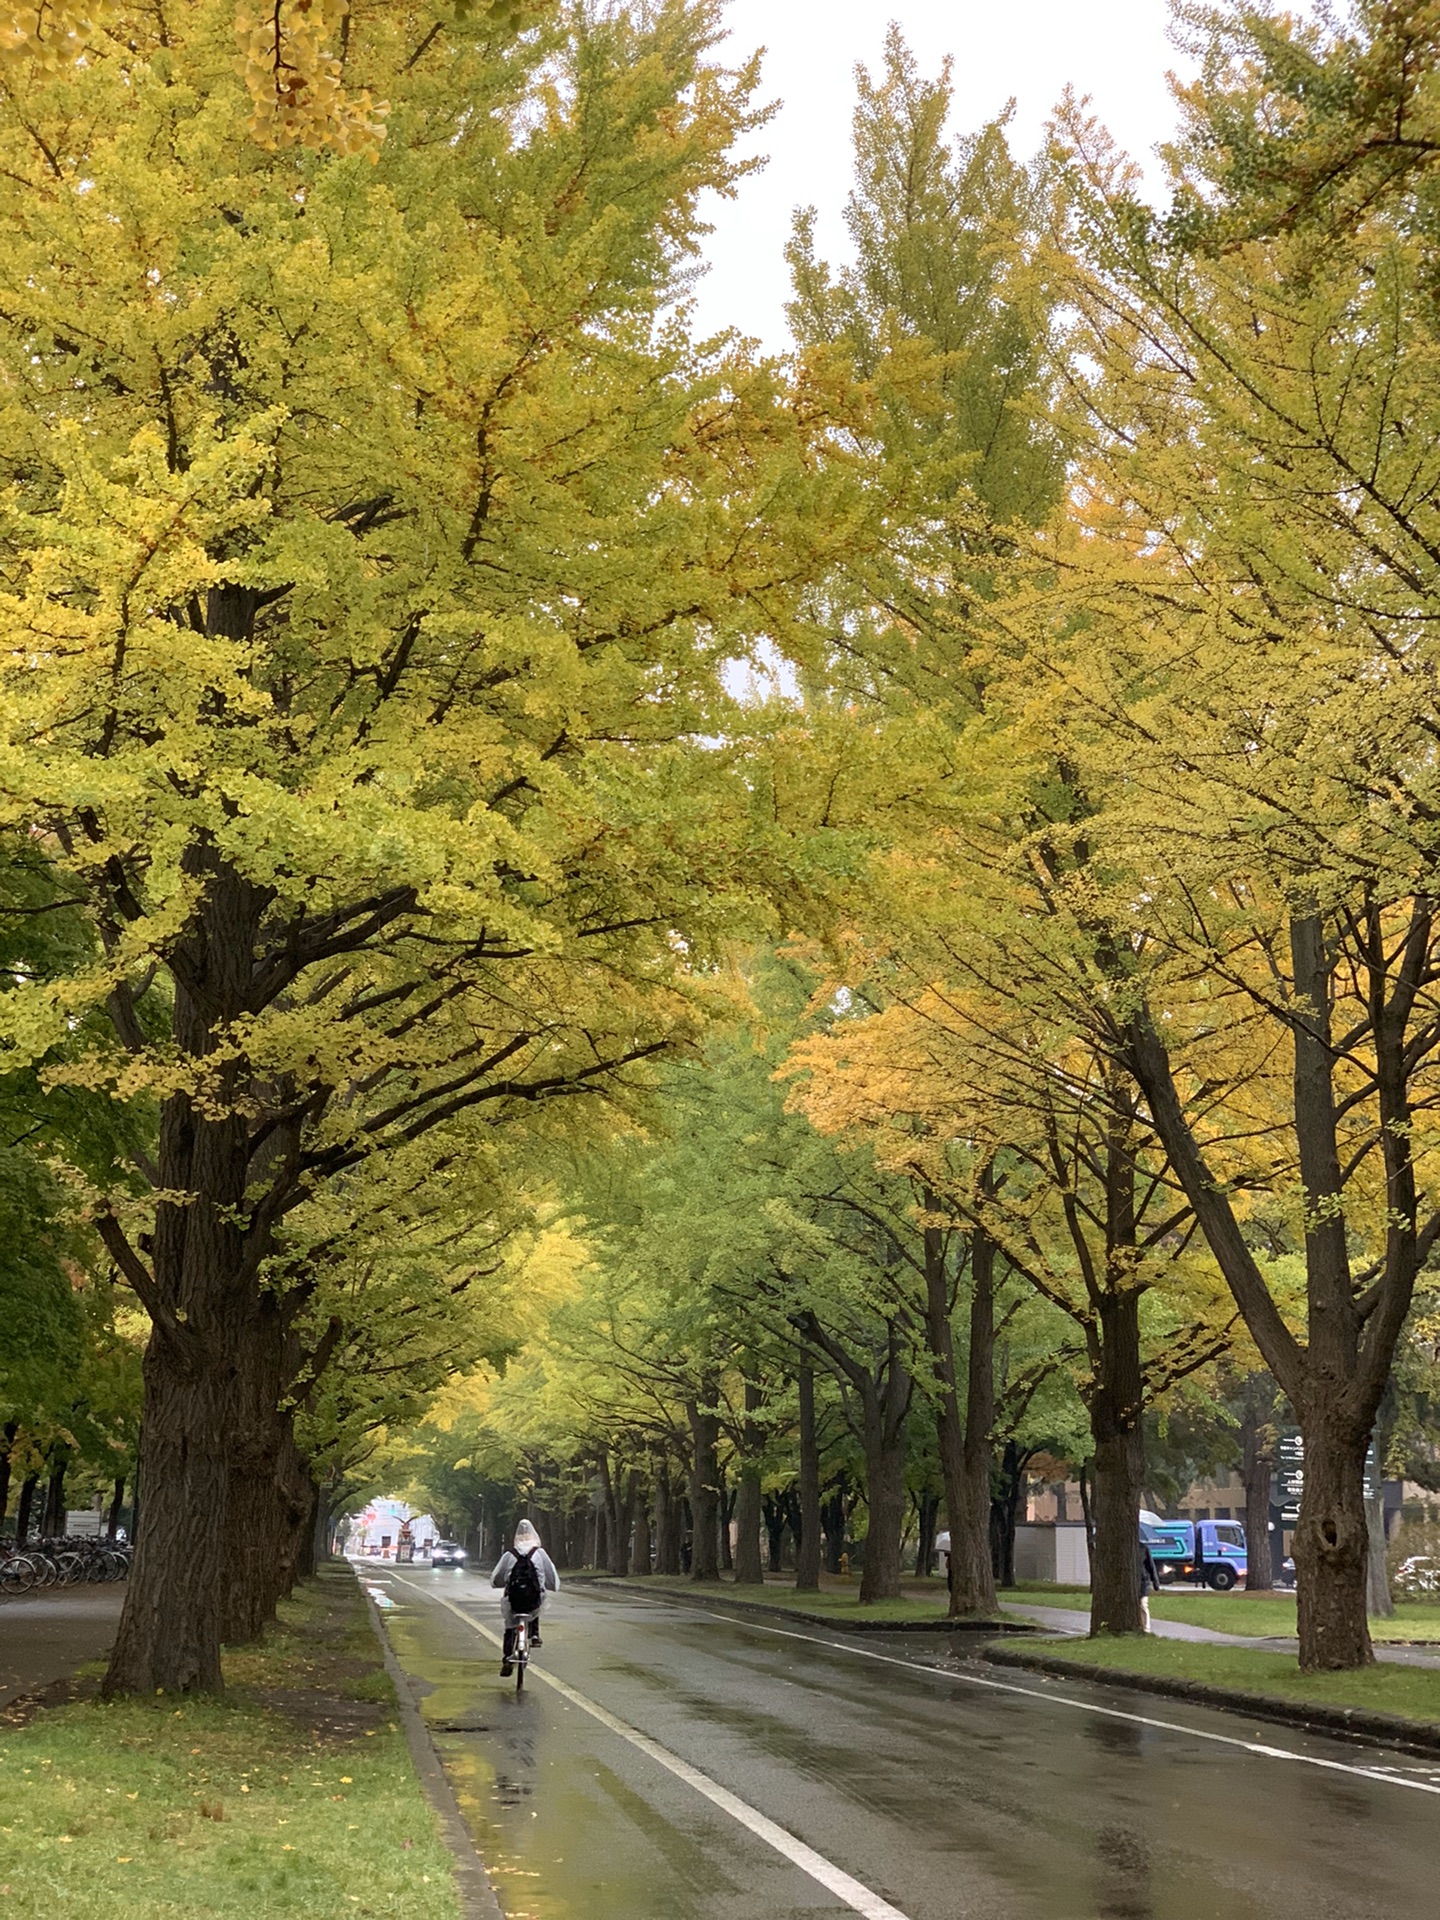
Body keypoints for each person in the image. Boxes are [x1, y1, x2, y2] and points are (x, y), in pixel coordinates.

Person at [491, 1519, 560, 1676]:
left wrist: (498, 1584)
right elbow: (551, 1576)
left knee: (510, 1628)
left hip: (513, 1601)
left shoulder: (510, 1554)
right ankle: (534, 1634)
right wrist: (551, 1586)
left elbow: (497, 1578)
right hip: (534, 1600)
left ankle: (507, 1657)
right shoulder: (540, 1554)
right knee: (536, 1603)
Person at [1139, 1537, 1160, 1633]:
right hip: (1135, 1582)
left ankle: (1146, 1628)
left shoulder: (1143, 1548)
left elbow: (1151, 1566)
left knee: (1143, 1604)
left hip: (1143, 1582)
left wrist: (1155, 1582)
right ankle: (1140, 1625)